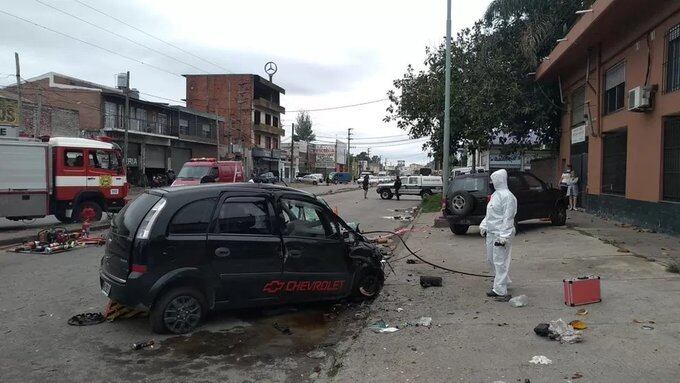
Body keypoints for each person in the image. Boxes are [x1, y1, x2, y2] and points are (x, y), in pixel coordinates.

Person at [479, 169, 517, 299]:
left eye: (494, 179)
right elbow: (491, 213)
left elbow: (508, 217)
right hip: (491, 232)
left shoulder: (508, 197)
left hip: (501, 234)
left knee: (500, 261)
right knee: (491, 259)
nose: (492, 182)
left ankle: (500, 290)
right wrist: (484, 225)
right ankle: (503, 280)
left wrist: (504, 236)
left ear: (500, 180)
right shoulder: (496, 195)